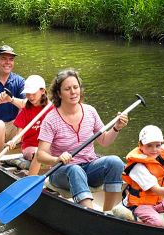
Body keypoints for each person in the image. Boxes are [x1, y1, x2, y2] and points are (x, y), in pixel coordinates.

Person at [36, 68, 129, 211]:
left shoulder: (90, 111)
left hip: (89, 166)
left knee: (115, 162)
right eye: (67, 89)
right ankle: (91, 214)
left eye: (76, 87)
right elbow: (41, 156)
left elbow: (104, 141)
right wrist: (57, 159)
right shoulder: (51, 119)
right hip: (61, 171)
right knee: (75, 170)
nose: (73, 92)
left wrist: (116, 128)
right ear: (59, 93)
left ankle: (107, 212)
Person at [7, 75, 53, 175]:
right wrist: (13, 141)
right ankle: (32, 178)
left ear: (43, 91)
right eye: (28, 93)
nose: (30, 96)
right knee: (39, 154)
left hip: (48, 146)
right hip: (31, 147)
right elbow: (19, 135)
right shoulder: (25, 111)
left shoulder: (52, 108)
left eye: (33, 93)